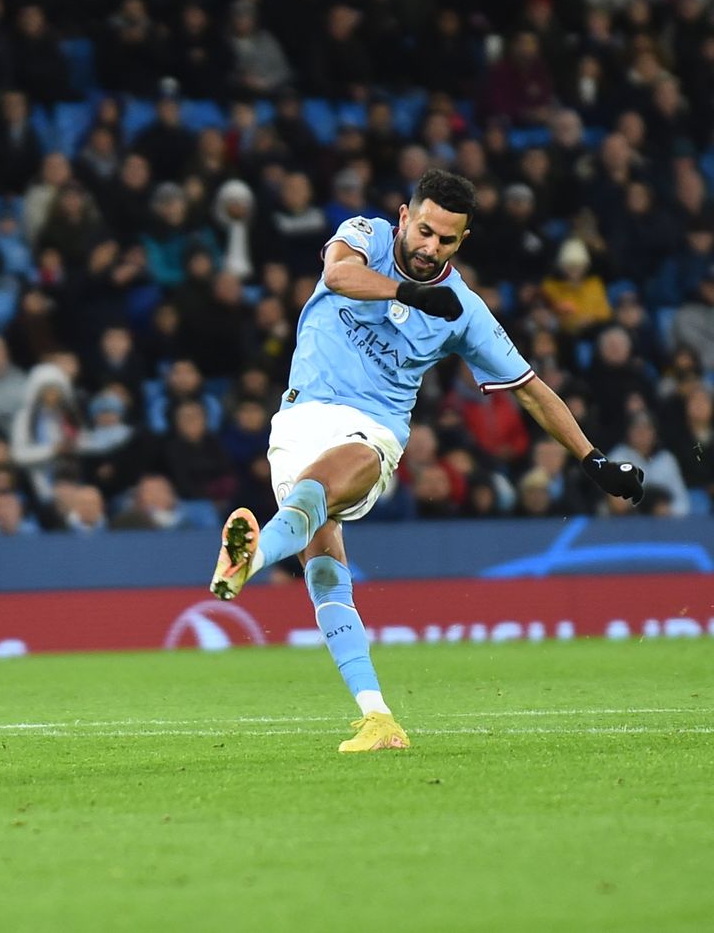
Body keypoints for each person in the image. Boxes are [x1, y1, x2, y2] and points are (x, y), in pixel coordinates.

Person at [209, 170, 644, 752]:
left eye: (445, 240)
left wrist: (592, 459)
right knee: (324, 566)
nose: (429, 246)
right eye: (424, 230)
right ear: (404, 217)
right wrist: (408, 293)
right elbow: (337, 275)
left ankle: (252, 554)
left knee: (318, 490)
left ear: (460, 243)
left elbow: (531, 389)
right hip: (297, 419)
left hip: (373, 431)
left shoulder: (465, 310)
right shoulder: (362, 234)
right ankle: (377, 718)